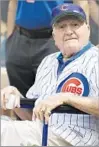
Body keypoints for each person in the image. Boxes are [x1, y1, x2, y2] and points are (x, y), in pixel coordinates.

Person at [1, 3, 99, 146]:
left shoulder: (96, 59)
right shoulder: (48, 62)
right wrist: (15, 99)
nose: (69, 31)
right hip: (42, 134)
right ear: (54, 35)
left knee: (4, 131)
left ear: (88, 29)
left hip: (75, 139)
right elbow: (31, 116)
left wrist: (67, 98)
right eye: (62, 27)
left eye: (75, 24)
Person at [5, 0, 89, 120]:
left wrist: (82, 40)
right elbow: (13, 3)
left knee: (51, 100)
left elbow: (81, 2)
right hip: (20, 37)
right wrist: (10, 37)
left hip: (53, 38)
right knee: (19, 101)